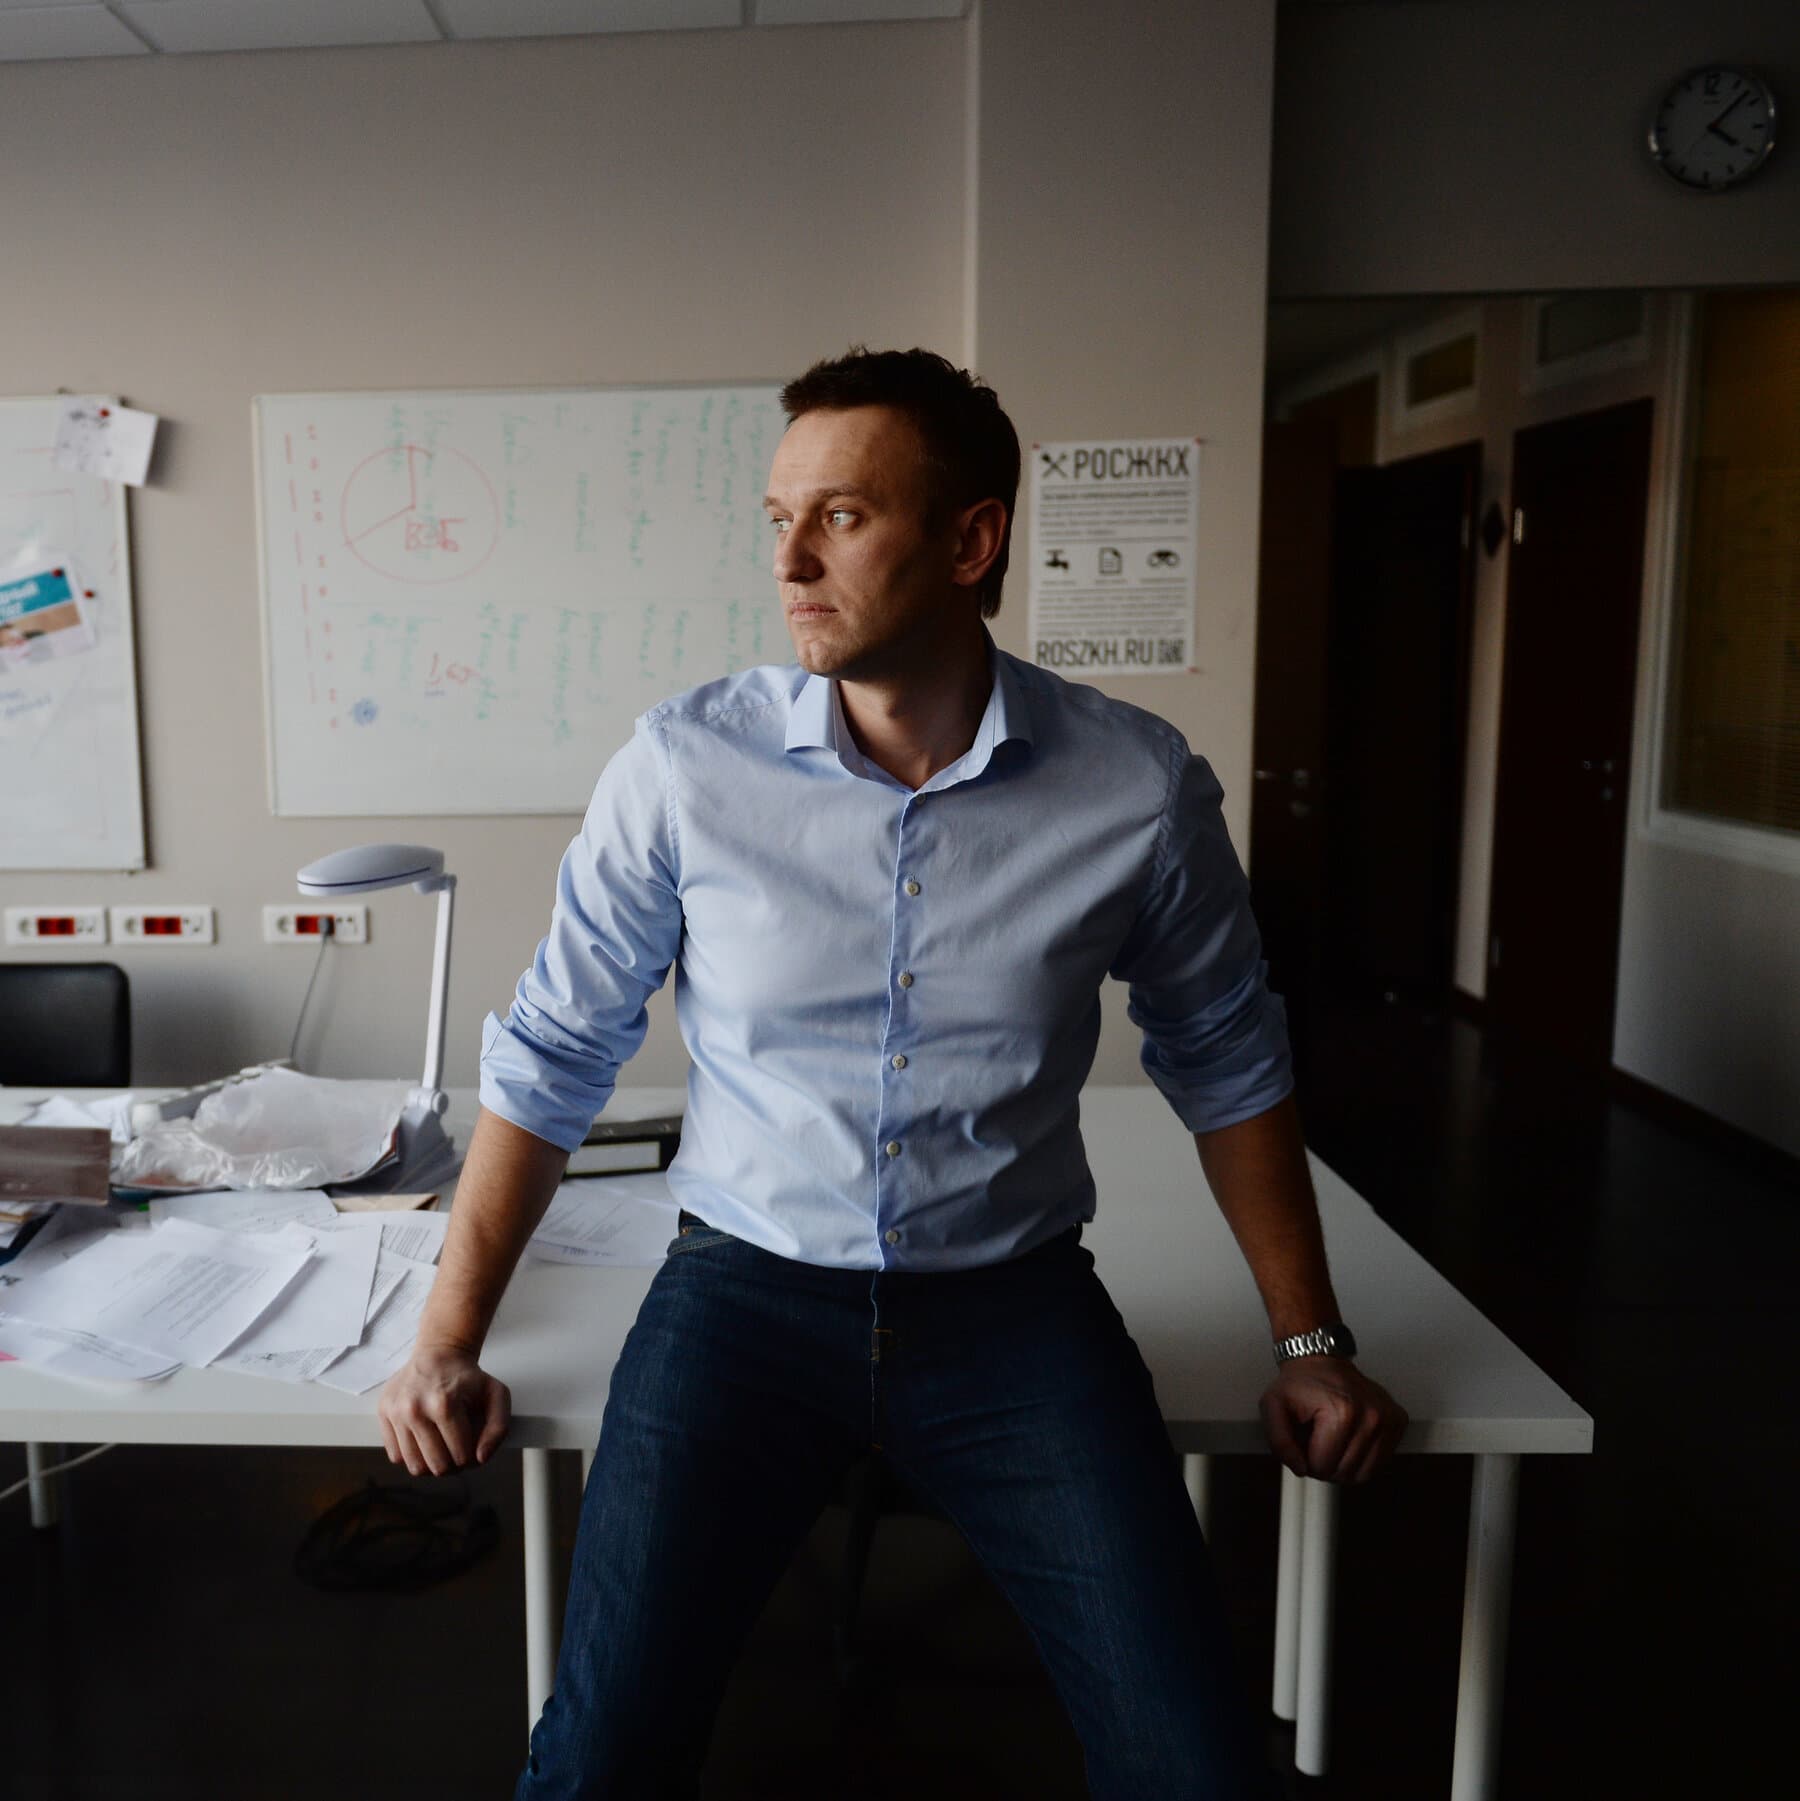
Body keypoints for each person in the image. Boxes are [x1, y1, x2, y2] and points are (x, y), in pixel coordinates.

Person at [377, 347, 1407, 1799]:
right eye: (777, 516)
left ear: (973, 539)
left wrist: (1308, 1343)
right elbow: (554, 1053)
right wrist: (447, 1335)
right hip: (741, 1297)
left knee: (1200, 1766)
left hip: (1014, 1308)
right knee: (597, 1760)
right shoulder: (683, 767)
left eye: (843, 515)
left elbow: (1230, 1057)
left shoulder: (1135, 786)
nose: (791, 558)